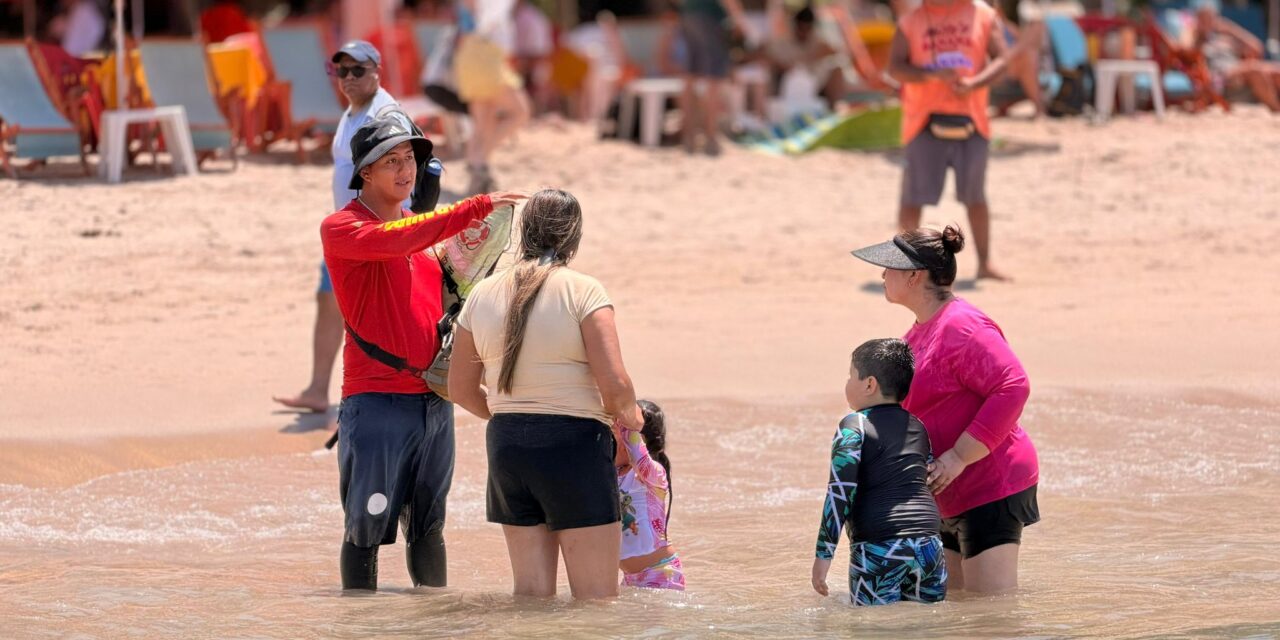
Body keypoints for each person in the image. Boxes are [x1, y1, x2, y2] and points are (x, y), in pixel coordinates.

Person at [322, 115, 525, 591]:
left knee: (430, 528)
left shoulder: (420, 232)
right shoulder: (343, 228)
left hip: (434, 400)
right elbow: (400, 240)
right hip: (376, 403)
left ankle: (434, 619)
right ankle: (362, 627)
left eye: (410, 159)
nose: (404, 169)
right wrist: (476, 206)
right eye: (390, 161)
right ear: (365, 173)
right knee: (364, 531)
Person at [450, 189, 644, 600]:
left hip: (506, 446)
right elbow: (616, 386)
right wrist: (631, 417)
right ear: (574, 236)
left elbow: (459, 389)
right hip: (573, 446)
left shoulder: (483, 293)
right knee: (596, 604)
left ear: (523, 231)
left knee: (530, 600)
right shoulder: (584, 290)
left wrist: (517, 417)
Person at [850, 226, 1039, 594]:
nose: (882, 275)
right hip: (944, 492)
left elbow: (1013, 385)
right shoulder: (915, 334)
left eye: (889, 267)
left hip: (990, 483)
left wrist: (958, 457)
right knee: (955, 611)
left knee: (992, 617)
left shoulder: (963, 327)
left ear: (914, 275)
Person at [274, 41, 414, 414]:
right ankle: (319, 390)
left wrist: (394, 227)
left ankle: (389, 394)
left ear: (376, 73)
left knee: (376, 313)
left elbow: (405, 170)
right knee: (329, 302)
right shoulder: (353, 111)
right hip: (347, 231)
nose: (348, 79)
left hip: (375, 230)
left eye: (358, 71)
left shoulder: (385, 113)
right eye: (342, 71)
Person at [811, 338, 945, 606]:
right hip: (929, 543)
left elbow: (840, 492)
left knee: (872, 629)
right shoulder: (917, 426)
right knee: (927, 629)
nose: (847, 384)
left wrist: (823, 558)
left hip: (879, 543)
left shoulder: (853, 425)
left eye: (851, 376)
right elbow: (927, 478)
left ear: (869, 384)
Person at [888, 0, 1011, 280]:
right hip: (922, 119)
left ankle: (984, 263)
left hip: (972, 119)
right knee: (913, 198)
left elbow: (1003, 61)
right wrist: (929, 75)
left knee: (975, 196)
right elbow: (895, 68)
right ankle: (905, 263)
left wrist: (974, 84)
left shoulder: (984, 15)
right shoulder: (911, 22)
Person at [453, 0, 532, 193]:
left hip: (470, 53)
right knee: (520, 112)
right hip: (485, 54)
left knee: (482, 123)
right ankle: (480, 160)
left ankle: (477, 171)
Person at [616, 400, 684, 591]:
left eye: (621, 431)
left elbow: (639, 457)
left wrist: (627, 421)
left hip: (662, 573)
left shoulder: (654, 474)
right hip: (630, 578)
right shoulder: (613, 472)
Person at [678, 0, 754, 155]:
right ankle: (711, 138)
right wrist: (740, 22)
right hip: (711, 18)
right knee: (714, 78)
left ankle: (689, 137)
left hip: (688, 15)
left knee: (690, 76)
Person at [1194, 1, 1280, 112]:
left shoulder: (1224, 38)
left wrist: (1230, 28)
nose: (1207, 22)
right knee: (1253, 69)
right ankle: (1277, 110)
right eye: (1203, 19)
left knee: (1275, 71)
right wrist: (1198, 34)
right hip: (1220, 78)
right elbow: (1183, 52)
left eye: (1210, 18)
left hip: (1239, 71)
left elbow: (1257, 47)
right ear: (1197, 21)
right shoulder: (1196, 41)